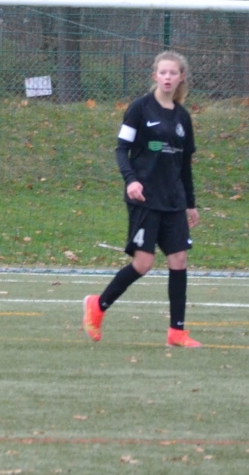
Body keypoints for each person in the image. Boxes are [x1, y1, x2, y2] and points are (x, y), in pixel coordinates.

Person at [84, 50, 201, 348]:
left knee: (179, 259)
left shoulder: (183, 118)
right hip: (145, 197)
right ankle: (98, 305)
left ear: (181, 77)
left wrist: (190, 203)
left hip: (173, 200)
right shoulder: (140, 108)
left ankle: (177, 331)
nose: (167, 77)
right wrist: (131, 180)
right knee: (143, 263)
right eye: (163, 72)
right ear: (155, 76)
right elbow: (121, 149)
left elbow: (185, 165)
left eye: (173, 73)